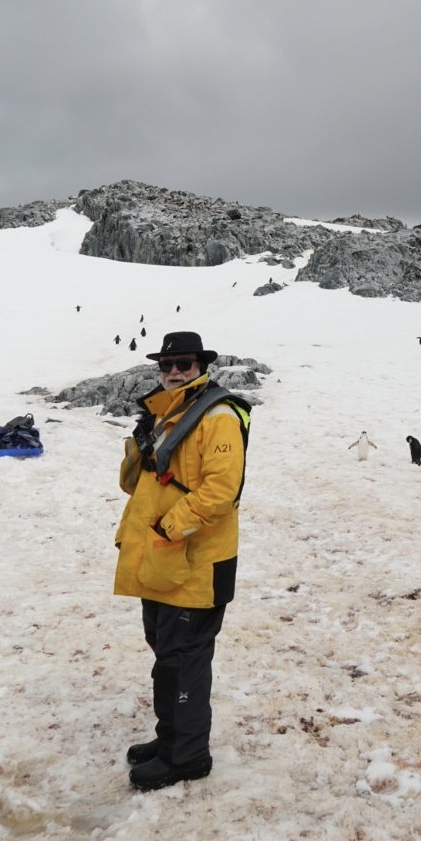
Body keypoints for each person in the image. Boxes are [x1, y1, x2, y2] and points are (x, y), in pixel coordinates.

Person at [114, 331, 251, 792]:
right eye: (167, 365)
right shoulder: (168, 416)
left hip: (195, 562)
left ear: (202, 366)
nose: (174, 371)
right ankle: (170, 737)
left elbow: (221, 491)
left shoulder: (216, 417)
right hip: (165, 560)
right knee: (167, 654)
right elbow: (134, 485)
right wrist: (139, 444)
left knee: (185, 659)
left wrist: (169, 527)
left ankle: (188, 756)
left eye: (184, 364)